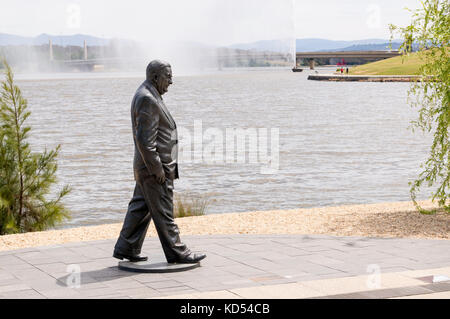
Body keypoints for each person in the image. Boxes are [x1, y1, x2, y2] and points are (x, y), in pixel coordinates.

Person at [113, 60, 206, 264]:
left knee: (140, 208)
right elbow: (145, 141)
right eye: (168, 77)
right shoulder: (148, 99)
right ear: (156, 77)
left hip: (145, 168)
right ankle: (177, 252)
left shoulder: (148, 94)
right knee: (164, 211)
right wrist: (157, 169)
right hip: (154, 170)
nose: (171, 81)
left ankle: (126, 246)